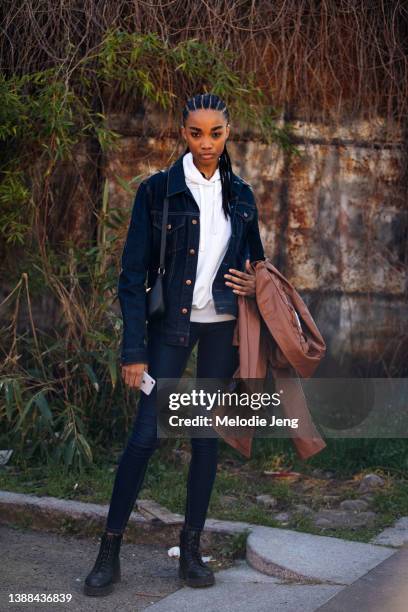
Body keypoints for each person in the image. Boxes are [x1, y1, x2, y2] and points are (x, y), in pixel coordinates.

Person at [83, 92, 265, 596]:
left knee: (204, 441)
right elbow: (132, 274)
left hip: (221, 331)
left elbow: (257, 263)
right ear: (181, 133)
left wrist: (253, 282)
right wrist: (133, 349)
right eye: (195, 132)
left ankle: (191, 552)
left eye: (216, 132)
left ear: (228, 133)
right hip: (169, 332)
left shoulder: (242, 195)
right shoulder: (157, 191)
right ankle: (109, 553)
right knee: (145, 436)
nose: (206, 143)